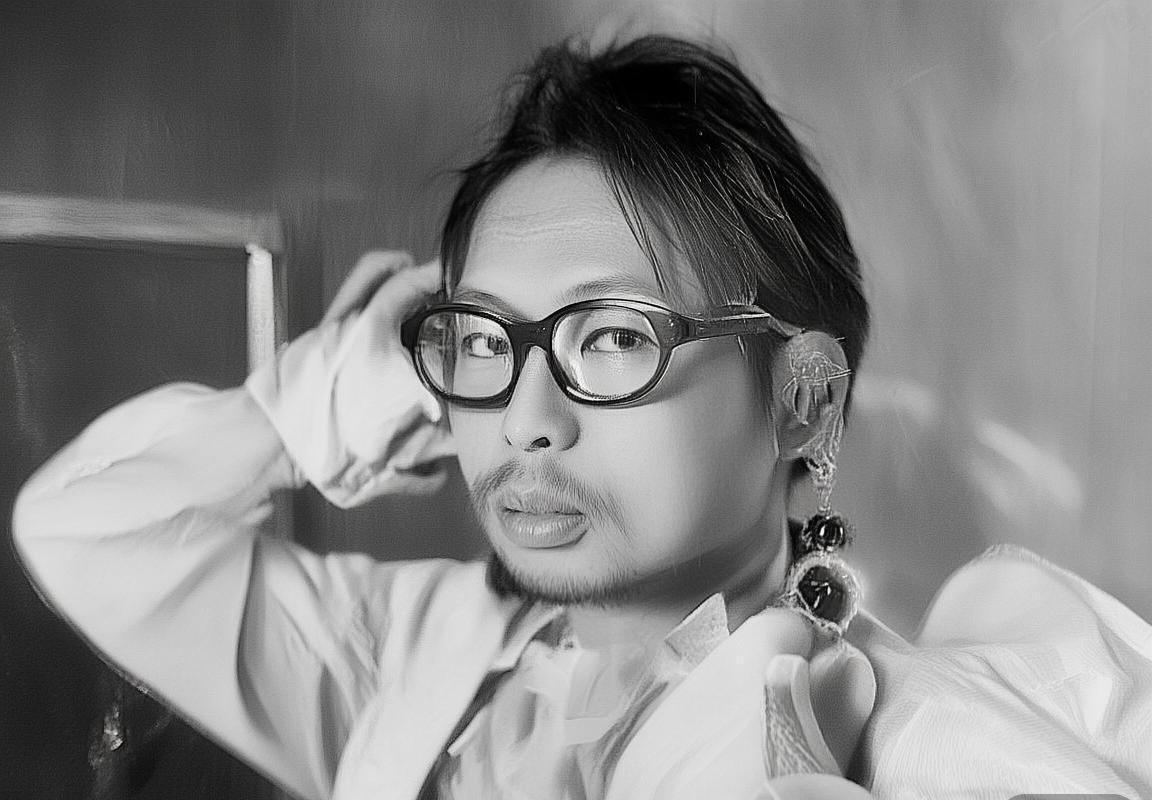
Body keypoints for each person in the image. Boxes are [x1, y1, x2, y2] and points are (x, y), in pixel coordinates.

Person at [12, 35, 1152, 800]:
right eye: (483, 340)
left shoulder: (894, 734)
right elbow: (90, 529)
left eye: (611, 335)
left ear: (804, 398)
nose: (526, 419)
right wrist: (331, 399)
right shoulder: (408, 662)